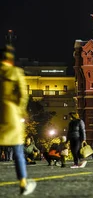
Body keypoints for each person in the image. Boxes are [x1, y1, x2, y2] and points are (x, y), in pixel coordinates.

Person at [0, 45, 37, 195]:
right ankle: (23, 183)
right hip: (10, 112)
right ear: (10, 59)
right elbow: (23, 94)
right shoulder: (15, 71)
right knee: (18, 150)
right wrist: (21, 111)